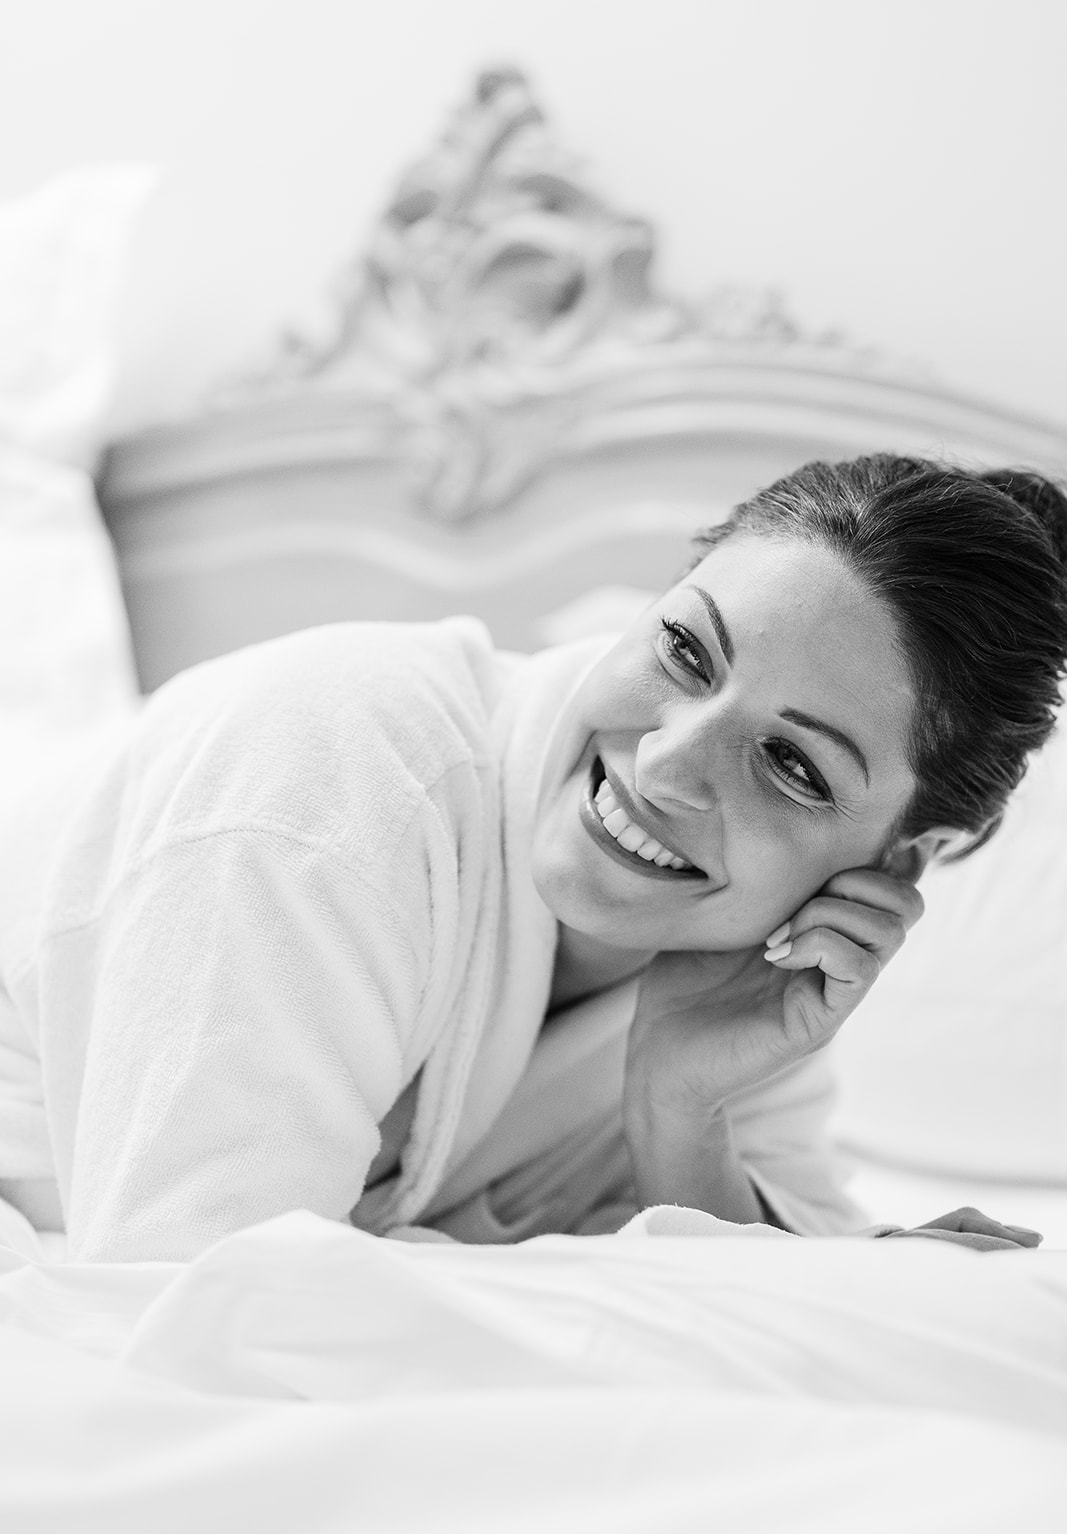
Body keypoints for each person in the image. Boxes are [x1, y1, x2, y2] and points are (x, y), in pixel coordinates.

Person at [0, 454, 1064, 1262]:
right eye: (685, 651)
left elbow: (777, 1296)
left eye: (790, 765)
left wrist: (677, 1112)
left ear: (903, 854)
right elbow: (199, 1302)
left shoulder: (745, 972)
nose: (663, 764)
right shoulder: (328, 778)